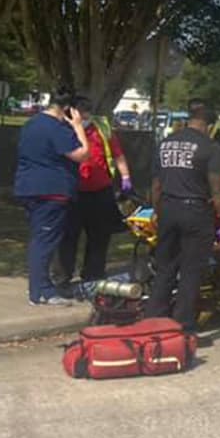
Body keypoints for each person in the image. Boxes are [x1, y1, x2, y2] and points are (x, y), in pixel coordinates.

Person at [143, 99, 220, 331]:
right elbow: (219, 191)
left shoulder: (165, 143)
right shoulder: (210, 148)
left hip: (168, 208)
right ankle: (182, 325)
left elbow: (155, 186)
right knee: (191, 271)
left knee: (165, 267)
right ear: (209, 125)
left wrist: (158, 213)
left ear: (187, 120)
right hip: (196, 211)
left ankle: (153, 320)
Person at [14, 88, 90, 306]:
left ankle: (41, 286)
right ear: (68, 109)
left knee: (40, 237)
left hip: (28, 187)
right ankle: (40, 291)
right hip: (51, 190)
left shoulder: (32, 123)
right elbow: (82, 154)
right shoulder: (56, 128)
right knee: (44, 241)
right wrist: (77, 127)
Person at [55, 96, 132, 292]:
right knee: (68, 236)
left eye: (88, 111)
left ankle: (93, 274)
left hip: (100, 190)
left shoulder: (102, 129)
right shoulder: (63, 130)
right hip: (73, 191)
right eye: (82, 111)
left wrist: (125, 177)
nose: (86, 115)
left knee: (99, 236)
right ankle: (63, 276)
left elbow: (118, 154)